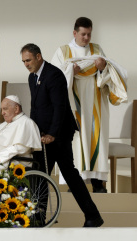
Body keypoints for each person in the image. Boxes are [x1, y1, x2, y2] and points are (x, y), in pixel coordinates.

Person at [21, 43, 103, 227]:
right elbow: (36, 108)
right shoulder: (32, 77)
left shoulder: (54, 75)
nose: (26, 64)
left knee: (69, 176)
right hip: (43, 136)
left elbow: (60, 108)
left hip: (59, 134)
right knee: (40, 175)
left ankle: (93, 216)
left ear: (38, 56)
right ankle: (38, 219)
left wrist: (52, 134)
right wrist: (34, 132)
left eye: (28, 60)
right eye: (24, 61)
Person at [51, 17, 127, 193]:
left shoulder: (97, 49)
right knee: (76, 141)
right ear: (74, 33)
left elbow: (108, 73)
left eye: (89, 34)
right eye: (83, 34)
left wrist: (102, 67)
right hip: (73, 103)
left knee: (96, 139)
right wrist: (70, 71)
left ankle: (97, 183)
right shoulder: (63, 51)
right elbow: (55, 77)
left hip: (95, 102)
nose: (86, 38)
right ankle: (75, 182)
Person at [0, 95, 42, 168]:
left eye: (5, 109)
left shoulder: (26, 123)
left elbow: (18, 149)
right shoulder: (3, 125)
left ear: (16, 108)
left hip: (14, 160)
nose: (2, 113)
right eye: (2, 109)